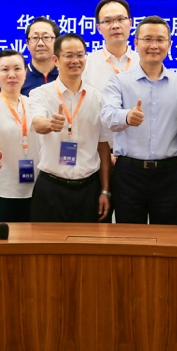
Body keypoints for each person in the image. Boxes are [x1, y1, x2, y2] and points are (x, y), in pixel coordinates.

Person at [102, 16, 177, 224]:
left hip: (169, 175)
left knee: (169, 237)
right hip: (128, 174)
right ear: (136, 43)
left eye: (160, 40)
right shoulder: (119, 82)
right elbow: (107, 115)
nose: (154, 45)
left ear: (169, 44)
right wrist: (127, 116)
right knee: (129, 237)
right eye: (147, 39)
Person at [30, 34, 113, 223]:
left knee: (89, 241)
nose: (75, 61)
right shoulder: (40, 94)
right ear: (56, 60)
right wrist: (50, 124)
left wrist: (105, 190)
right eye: (69, 55)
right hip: (51, 187)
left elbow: (103, 146)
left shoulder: (98, 98)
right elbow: (37, 123)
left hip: (89, 188)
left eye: (80, 55)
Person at [0, 50, 36, 222]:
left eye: (17, 69)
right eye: (4, 70)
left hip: (34, 189)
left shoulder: (34, 104)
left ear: (25, 72)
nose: (11, 75)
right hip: (0, 188)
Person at [84, 0, 139, 92]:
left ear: (130, 23)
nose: (115, 26)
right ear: (99, 28)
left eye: (120, 19)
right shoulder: (87, 64)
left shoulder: (143, 62)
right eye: (107, 21)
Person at [21, 17, 59, 95]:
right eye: (35, 38)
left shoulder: (67, 76)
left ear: (57, 42)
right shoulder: (18, 78)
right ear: (27, 43)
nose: (40, 43)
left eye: (46, 37)